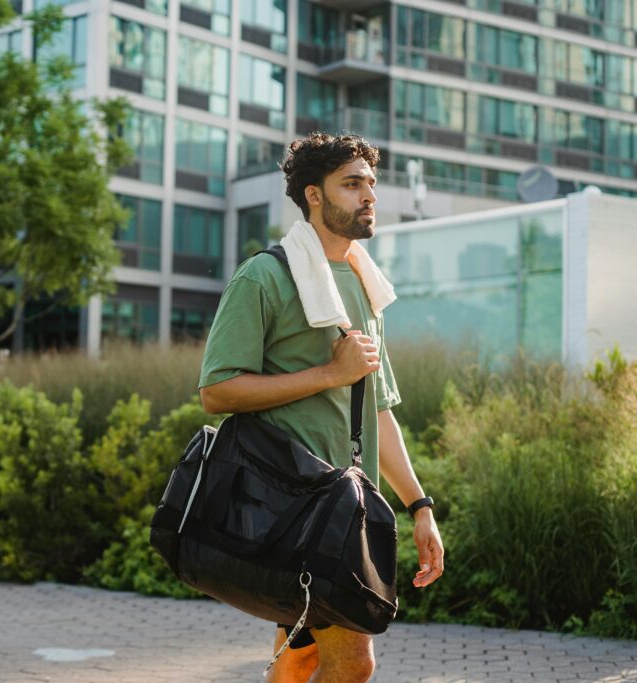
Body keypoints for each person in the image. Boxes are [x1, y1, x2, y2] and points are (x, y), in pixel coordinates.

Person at [197, 132, 445, 683]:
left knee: (300, 658)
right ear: (314, 194)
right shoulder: (265, 276)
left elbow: (377, 410)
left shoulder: (364, 282)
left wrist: (420, 506)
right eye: (352, 184)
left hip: (344, 511)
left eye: (371, 185)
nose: (369, 196)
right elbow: (217, 390)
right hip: (286, 505)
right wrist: (328, 374)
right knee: (353, 664)